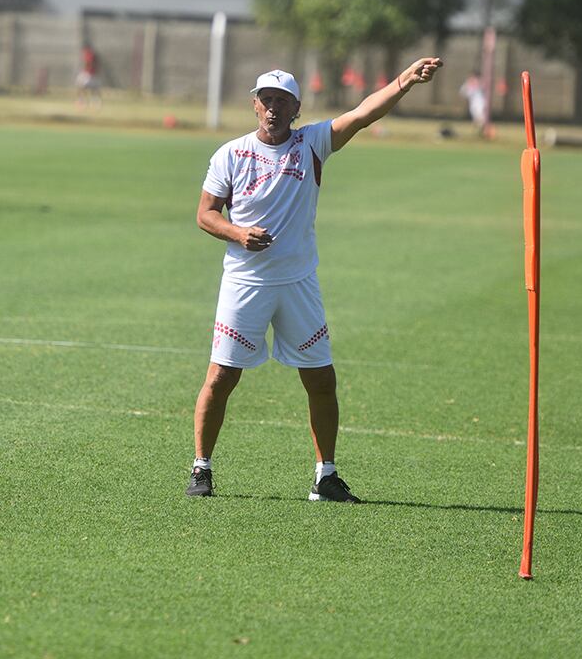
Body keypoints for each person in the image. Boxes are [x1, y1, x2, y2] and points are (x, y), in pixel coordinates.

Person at [186, 59, 442, 501]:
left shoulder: (311, 144)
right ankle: (201, 468)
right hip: (245, 283)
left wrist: (404, 81)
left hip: (299, 283)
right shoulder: (231, 153)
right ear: (254, 105)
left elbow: (362, 114)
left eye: (281, 102)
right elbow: (205, 214)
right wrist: (238, 233)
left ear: (296, 108)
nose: (272, 108)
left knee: (321, 379)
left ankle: (325, 476)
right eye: (266, 100)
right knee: (222, 376)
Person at [459, 71, 493, 139]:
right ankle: (481, 132)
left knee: (481, 118)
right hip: (473, 104)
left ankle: (485, 132)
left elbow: (484, 89)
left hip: (480, 103)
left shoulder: (480, 83)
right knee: (477, 120)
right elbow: (463, 92)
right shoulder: (468, 84)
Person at [75, 43, 101, 108]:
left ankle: (82, 101)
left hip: (89, 74)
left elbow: (88, 63)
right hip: (94, 74)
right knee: (94, 90)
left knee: (81, 85)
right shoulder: (93, 54)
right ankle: (95, 103)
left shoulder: (88, 54)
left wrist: (86, 68)